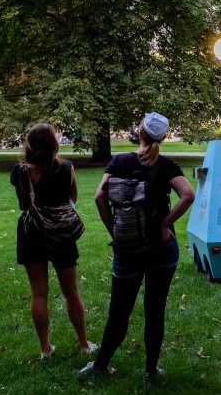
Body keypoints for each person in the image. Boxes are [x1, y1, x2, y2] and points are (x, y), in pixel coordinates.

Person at [78, 112, 195, 378]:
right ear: (163, 138)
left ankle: (100, 366)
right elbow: (188, 195)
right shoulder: (167, 166)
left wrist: (117, 233)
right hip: (162, 249)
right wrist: (164, 225)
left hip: (128, 249)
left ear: (139, 131)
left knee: (119, 310)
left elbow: (99, 198)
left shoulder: (119, 162)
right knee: (155, 310)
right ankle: (151, 370)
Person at [10, 123, 95, 359]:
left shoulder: (19, 172)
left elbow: (23, 202)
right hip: (62, 235)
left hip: (31, 234)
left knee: (39, 294)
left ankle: (45, 348)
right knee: (72, 292)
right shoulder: (66, 168)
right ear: (53, 144)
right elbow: (73, 198)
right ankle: (83, 344)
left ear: (30, 144)